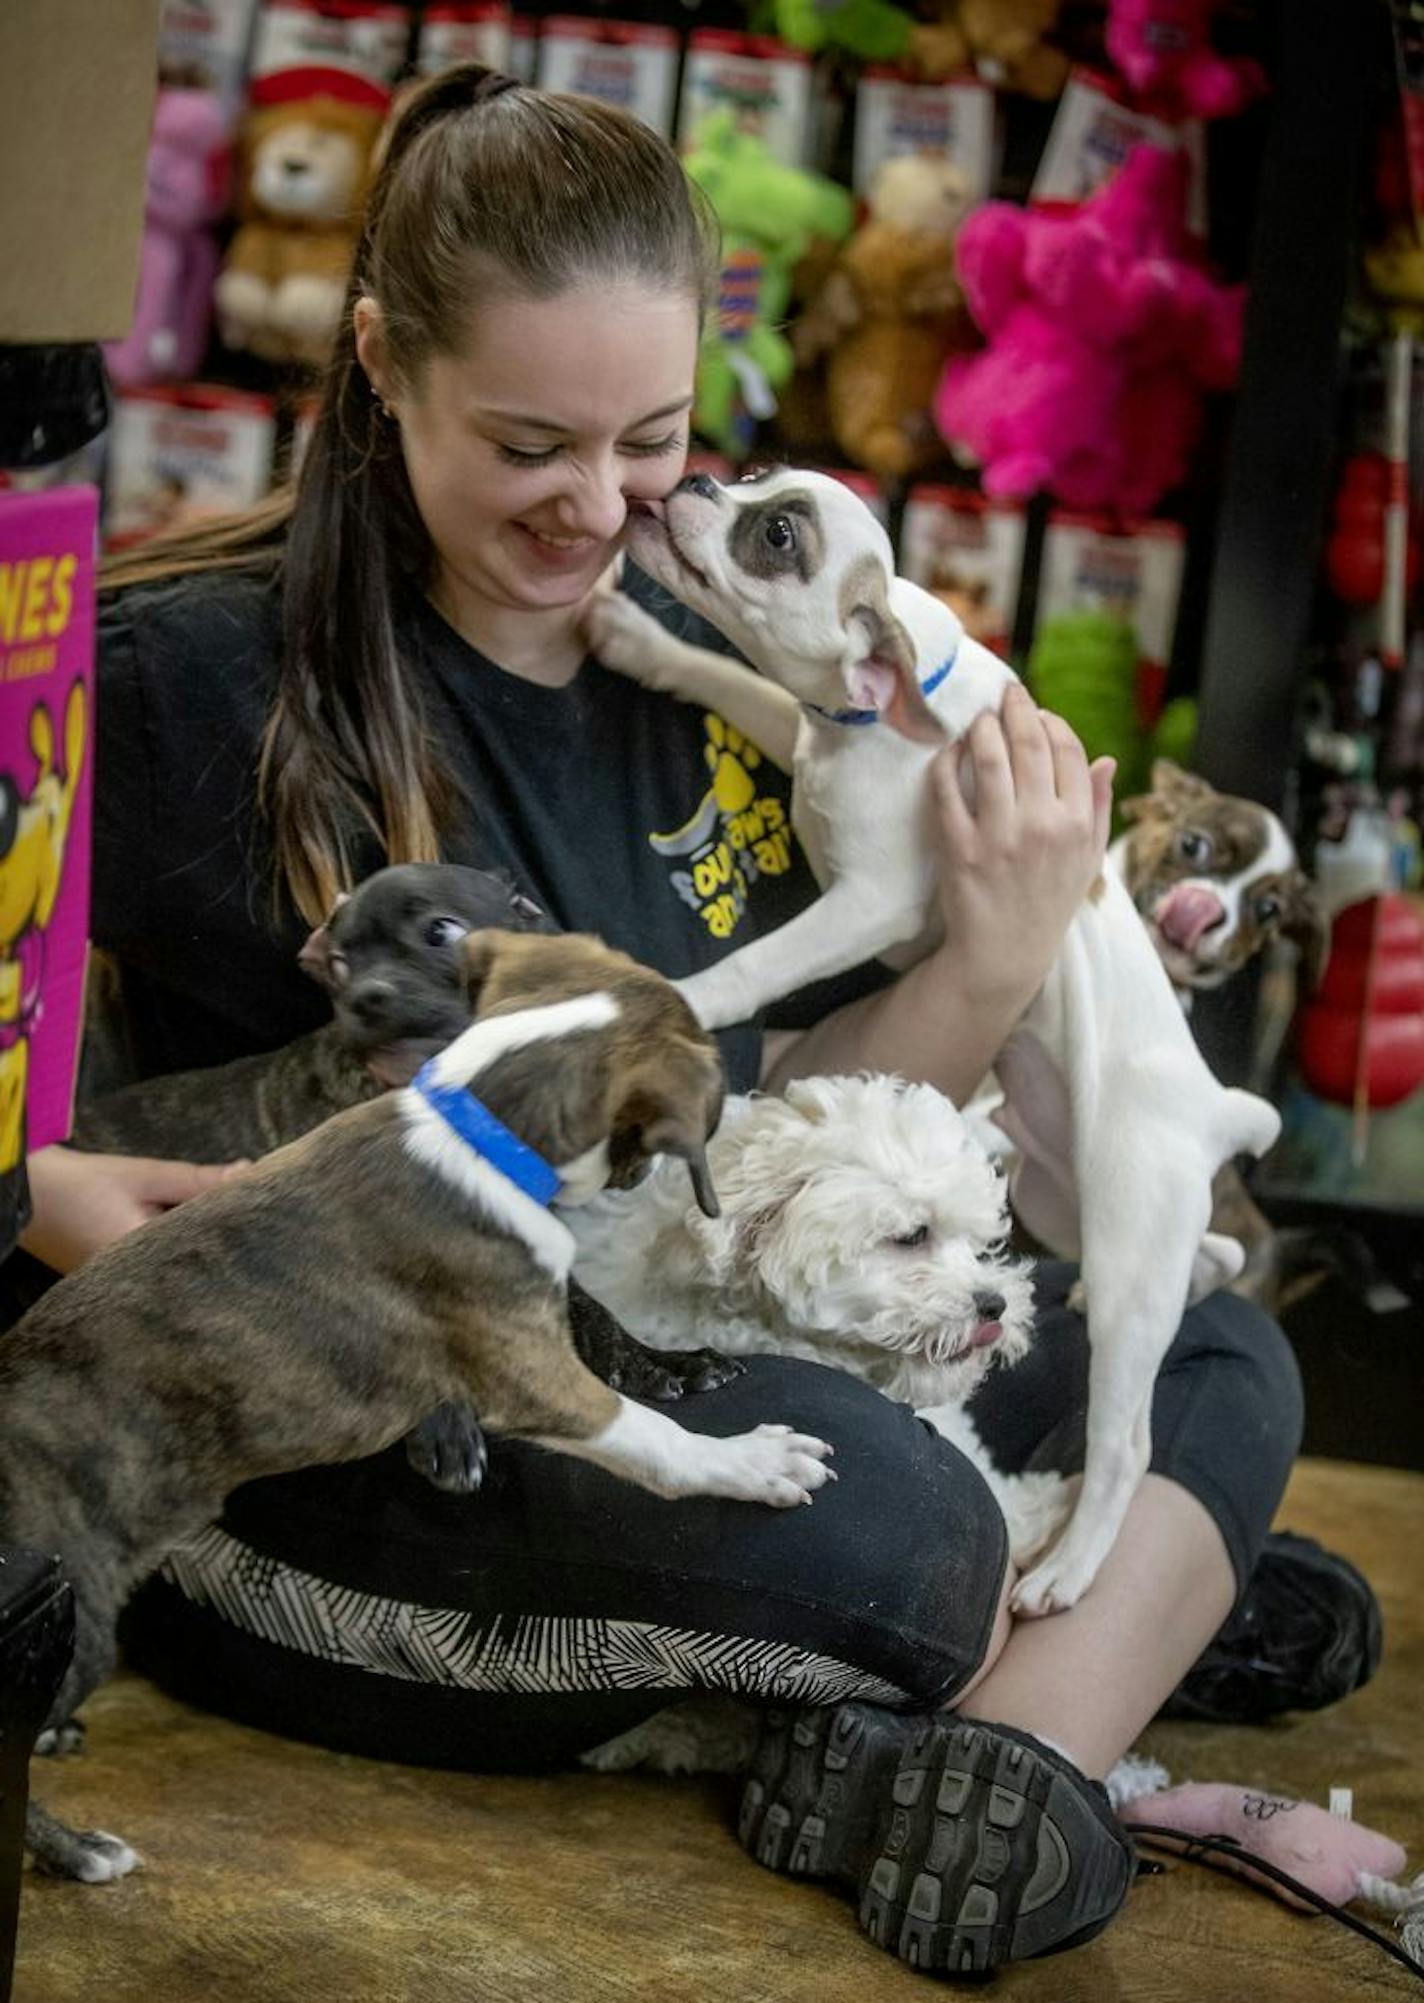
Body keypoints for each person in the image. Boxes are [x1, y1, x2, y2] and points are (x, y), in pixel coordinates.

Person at [24, 65, 1378, 1975]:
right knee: (901, 1538)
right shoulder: (190, 677)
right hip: (365, 1432)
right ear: (380, 369)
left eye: (650, 440)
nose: (598, 509)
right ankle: (1078, 1647)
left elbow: (777, 1172)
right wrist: (46, 1191)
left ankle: (1002, 1770)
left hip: (675, 1329)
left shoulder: (722, 679)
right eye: (526, 445)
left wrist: (991, 947)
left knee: (1214, 1352)